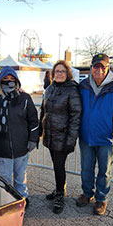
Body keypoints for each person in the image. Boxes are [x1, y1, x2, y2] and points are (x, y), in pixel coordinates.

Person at [77, 53, 113, 216]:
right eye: (96, 66)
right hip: (86, 136)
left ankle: (101, 199)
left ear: (108, 68)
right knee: (86, 168)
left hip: (107, 138)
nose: (99, 69)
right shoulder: (83, 85)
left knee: (105, 171)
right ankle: (87, 194)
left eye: (103, 66)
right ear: (91, 68)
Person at [0, 66, 39, 208]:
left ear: (17, 81)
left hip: (21, 147)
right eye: (5, 79)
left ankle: (22, 199)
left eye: (12, 79)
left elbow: (33, 120)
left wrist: (33, 139)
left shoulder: (24, 98)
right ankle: (6, 202)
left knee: (20, 178)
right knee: (4, 179)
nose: (9, 81)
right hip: (1, 148)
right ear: (0, 81)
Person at [39, 60, 82, 214]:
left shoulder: (72, 90)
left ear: (68, 73)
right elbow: (43, 111)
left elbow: (75, 116)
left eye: (63, 71)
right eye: (57, 71)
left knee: (59, 166)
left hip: (63, 136)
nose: (59, 74)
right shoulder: (50, 89)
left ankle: (60, 195)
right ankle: (59, 188)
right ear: (53, 73)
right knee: (56, 165)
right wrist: (40, 130)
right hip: (50, 134)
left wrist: (71, 140)